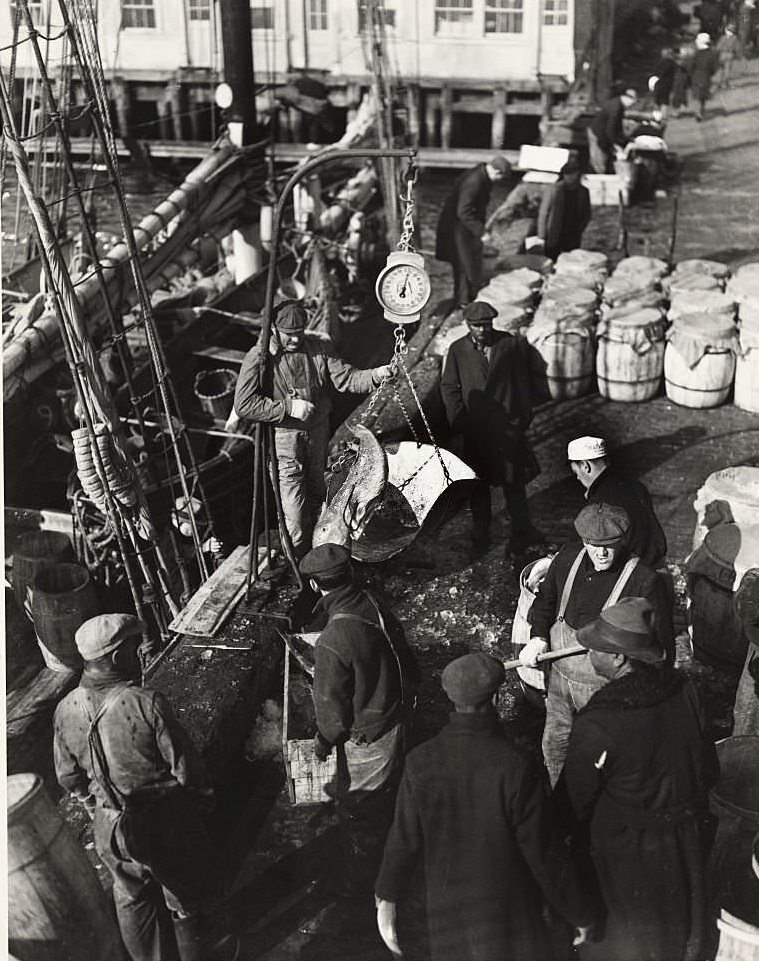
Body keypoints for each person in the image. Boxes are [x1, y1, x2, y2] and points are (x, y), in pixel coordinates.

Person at [374, 652, 595, 961]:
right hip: (508, 913)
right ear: (495, 699)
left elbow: (403, 838)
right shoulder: (517, 764)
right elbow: (543, 851)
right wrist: (579, 911)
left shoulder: (420, 761)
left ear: (451, 699)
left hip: (448, 912)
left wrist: (387, 895)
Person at [53, 614, 238, 961]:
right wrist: (201, 805)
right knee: (182, 895)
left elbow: (67, 777)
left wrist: (97, 809)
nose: (139, 653)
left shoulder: (65, 710)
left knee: (131, 898)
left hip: (110, 827)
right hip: (161, 822)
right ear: (116, 657)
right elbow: (186, 769)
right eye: (133, 647)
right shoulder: (145, 702)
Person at [559, 597, 718, 961]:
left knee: (629, 937)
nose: (589, 656)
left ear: (618, 658)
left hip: (627, 851)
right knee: (677, 929)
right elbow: (707, 766)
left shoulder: (600, 721)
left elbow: (572, 802)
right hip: (684, 842)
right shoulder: (685, 690)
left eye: (595, 649)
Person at [521, 502, 673, 786]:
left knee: (599, 758)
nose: (601, 553)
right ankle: (558, 802)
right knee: (554, 745)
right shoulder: (567, 558)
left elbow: (660, 648)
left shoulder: (643, 580)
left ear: (624, 540)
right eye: (592, 544)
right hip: (559, 679)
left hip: (606, 687)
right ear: (582, 540)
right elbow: (545, 602)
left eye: (610, 545)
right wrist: (538, 637)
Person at [299, 543, 419, 894]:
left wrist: (322, 744)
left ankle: (368, 883)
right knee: (391, 790)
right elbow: (400, 648)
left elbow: (333, 716)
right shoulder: (370, 601)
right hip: (395, 712)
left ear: (315, 586)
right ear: (349, 574)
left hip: (370, 732)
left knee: (360, 812)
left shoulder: (333, 639)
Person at [233, 300, 392, 559]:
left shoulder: (319, 347)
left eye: (299, 334)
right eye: (289, 335)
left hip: (317, 438)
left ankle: (322, 561)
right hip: (285, 445)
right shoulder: (260, 357)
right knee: (294, 518)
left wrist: (376, 374)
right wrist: (287, 408)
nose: (295, 340)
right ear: (274, 330)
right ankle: (296, 563)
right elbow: (244, 404)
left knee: (319, 500)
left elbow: (347, 379)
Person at [440, 299, 543, 558]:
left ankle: (522, 532)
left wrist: (522, 420)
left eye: (486, 325)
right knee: (478, 487)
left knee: (514, 484)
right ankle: (481, 534)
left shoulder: (508, 345)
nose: (483, 330)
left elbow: (523, 385)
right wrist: (459, 422)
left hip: (507, 429)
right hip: (476, 432)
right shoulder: (457, 350)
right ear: (468, 326)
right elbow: (450, 388)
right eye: (477, 326)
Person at [567, 435, 667, 569]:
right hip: (655, 561)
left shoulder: (599, 506)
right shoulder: (634, 484)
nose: (578, 478)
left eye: (576, 472)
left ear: (585, 466)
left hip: (632, 571)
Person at [435, 155, 512, 307]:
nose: (500, 182)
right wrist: (481, 232)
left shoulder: (481, 176)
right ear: (497, 172)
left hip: (464, 227)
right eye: (501, 178)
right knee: (463, 264)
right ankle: (463, 302)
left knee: (467, 263)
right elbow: (463, 211)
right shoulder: (474, 181)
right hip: (457, 228)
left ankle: (467, 296)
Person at [536, 160, 592, 262]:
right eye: (567, 174)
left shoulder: (583, 192)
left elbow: (587, 214)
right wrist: (541, 236)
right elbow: (544, 213)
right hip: (554, 233)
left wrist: (579, 229)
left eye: (572, 174)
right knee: (551, 260)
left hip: (572, 234)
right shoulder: (554, 190)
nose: (570, 177)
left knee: (571, 261)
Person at [587, 88, 637, 174]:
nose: (632, 104)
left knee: (603, 158)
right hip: (597, 133)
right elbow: (610, 129)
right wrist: (616, 144)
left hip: (602, 132)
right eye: (632, 101)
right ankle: (599, 180)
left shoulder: (619, 105)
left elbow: (617, 126)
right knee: (599, 162)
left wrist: (622, 139)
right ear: (626, 97)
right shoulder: (616, 108)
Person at [691, 33, 720, 120]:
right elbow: (714, 68)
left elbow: (692, 66)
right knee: (702, 96)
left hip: (696, 76)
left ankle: (699, 113)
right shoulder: (712, 54)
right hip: (706, 77)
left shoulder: (697, 54)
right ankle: (701, 112)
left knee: (697, 96)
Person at [650, 47, 678, 119]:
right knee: (664, 101)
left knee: (657, 101)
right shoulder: (672, 63)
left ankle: (657, 116)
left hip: (658, 84)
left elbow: (655, 73)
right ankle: (663, 116)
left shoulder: (660, 63)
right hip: (667, 85)